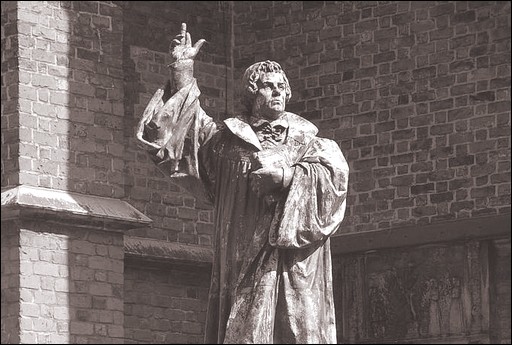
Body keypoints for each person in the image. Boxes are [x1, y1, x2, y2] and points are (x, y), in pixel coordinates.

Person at [136, 23, 349, 344]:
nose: (277, 91)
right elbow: (181, 136)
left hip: (295, 268)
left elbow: (334, 186)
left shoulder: (313, 142)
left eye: (281, 86)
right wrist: (182, 69)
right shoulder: (225, 141)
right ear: (251, 91)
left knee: (297, 329)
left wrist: (289, 178)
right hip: (242, 260)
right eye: (267, 86)